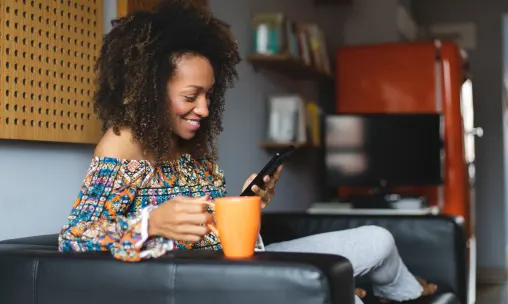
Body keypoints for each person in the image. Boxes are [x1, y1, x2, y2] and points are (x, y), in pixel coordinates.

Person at [57, 1, 436, 303]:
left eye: (209, 95)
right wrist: (151, 224)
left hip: (242, 261)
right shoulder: (124, 142)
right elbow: (75, 236)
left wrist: (250, 200)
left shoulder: (192, 143)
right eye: (190, 96)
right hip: (207, 281)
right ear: (151, 91)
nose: (203, 110)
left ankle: (404, 294)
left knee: (377, 238)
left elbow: (215, 231)